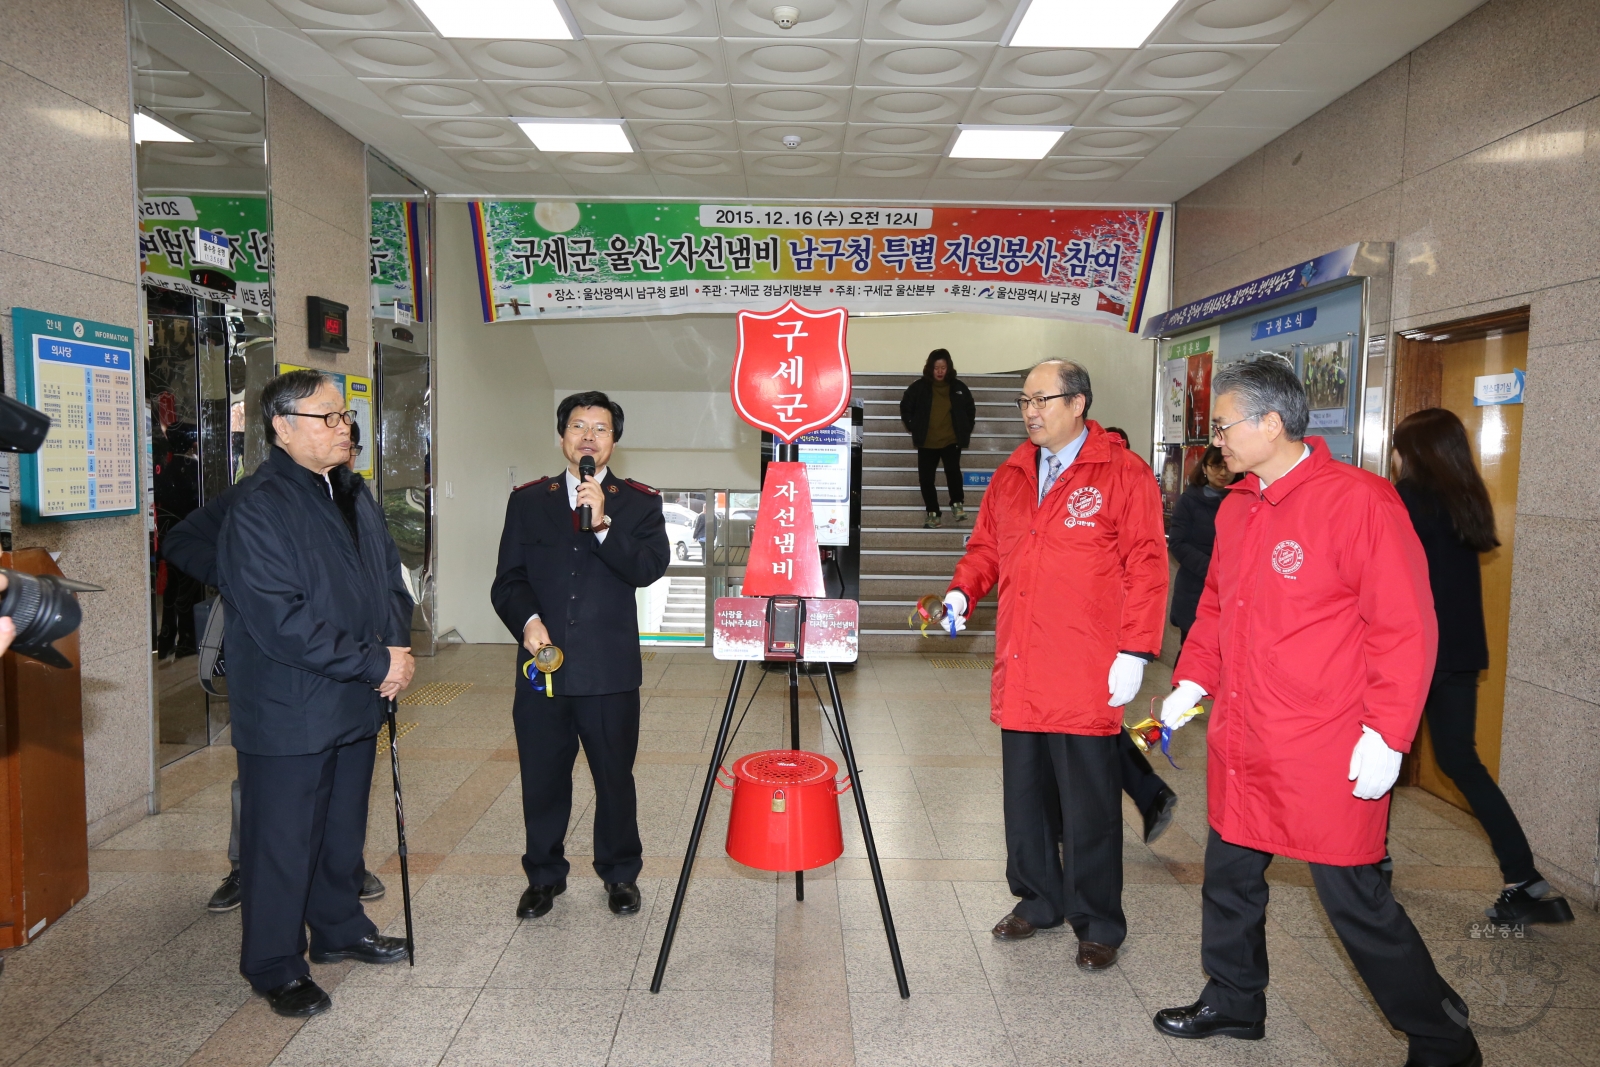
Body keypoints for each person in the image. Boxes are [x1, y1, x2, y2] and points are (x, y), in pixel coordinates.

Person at [1152, 360, 1480, 1067]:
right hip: (1245, 733)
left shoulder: (1359, 502)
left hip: (1326, 741)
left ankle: (1441, 1034)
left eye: (1226, 425)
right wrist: (1190, 682)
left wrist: (1389, 735)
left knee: (1353, 898)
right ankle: (1234, 999)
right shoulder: (1239, 505)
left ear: (1272, 424)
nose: (1218, 441)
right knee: (1229, 874)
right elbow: (1215, 609)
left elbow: (1406, 627)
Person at [943, 360, 1167, 968]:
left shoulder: (1122, 473)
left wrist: (1136, 648)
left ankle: (1098, 920)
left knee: (1088, 803)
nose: (1030, 411)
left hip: (1084, 666)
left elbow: (1147, 564)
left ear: (1079, 403)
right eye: (1023, 401)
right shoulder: (1014, 474)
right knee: (1026, 798)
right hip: (1022, 662)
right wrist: (965, 589)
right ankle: (1039, 899)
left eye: (1041, 399)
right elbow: (986, 546)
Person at [216, 370, 416, 1018]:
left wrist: (395, 652)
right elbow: (283, 620)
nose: (343, 429)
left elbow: (389, 580)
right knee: (282, 839)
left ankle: (340, 927)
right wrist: (372, 660)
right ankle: (274, 963)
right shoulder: (258, 506)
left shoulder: (353, 493)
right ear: (281, 427)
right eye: (326, 418)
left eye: (344, 417)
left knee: (340, 831)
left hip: (355, 696)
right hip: (289, 705)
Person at [163, 468, 386, 916]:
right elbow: (181, 540)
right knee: (270, 793)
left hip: (345, 671)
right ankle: (246, 868)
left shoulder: (351, 497)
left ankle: (339, 881)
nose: (344, 442)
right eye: (330, 424)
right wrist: (237, 574)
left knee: (340, 794)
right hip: (281, 676)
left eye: (349, 436)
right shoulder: (259, 494)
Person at [491, 391, 670, 921]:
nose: (588, 437)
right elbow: (508, 581)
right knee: (542, 776)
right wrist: (528, 623)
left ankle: (619, 873)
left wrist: (602, 525)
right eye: (577, 426)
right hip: (541, 666)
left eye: (600, 428)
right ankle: (543, 877)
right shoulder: (528, 501)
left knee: (614, 776)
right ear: (562, 436)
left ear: (615, 440)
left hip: (608, 670)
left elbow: (647, 569)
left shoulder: (638, 502)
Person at [1392, 408, 1572, 925]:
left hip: (1414, 652)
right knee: (1462, 763)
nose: (1396, 457)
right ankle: (1526, 880)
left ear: (1416, 453)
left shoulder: (1405, 502)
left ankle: (1367, 864)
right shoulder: (1465, 500)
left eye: (1401, 447)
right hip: (1462, 654)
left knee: (1381, 753)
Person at [1167, 445, 1235, 651]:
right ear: (1204, 468)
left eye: (1227, 467)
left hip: (1230, 590)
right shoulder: (1189, 501)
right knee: (1193, 653)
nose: (1223, 473)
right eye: (1216, 467)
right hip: (1195, 587)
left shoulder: (1243, 499)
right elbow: (1177, 543)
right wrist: (1213, 568)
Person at [899, 348, 976, 528]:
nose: (940, 371)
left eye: (943, 367)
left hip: (951, 440)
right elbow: (905, 406)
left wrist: (965, 429)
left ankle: (957, 504)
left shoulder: (958, 388)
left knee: (953, 472)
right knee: (926, 479)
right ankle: (933, 512)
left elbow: (970, 410)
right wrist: (913, 426)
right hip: (927, 442)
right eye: (936, 368)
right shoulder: (919, 387)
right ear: (930, 369)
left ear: (948, 368)